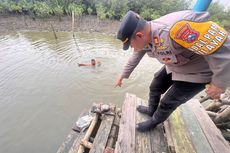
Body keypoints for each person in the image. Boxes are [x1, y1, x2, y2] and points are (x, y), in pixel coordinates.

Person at [115, 10, 230, 132]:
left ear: (139, 35)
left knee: (168, 102)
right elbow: (136, 56)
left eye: (131, 45)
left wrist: (219, 84)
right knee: (155, 86)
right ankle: (151, 110)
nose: (132, 48)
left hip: (198, 73)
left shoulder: (178, 29)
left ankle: (154, 122)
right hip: (176, 65)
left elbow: (225, 53)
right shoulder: (146, 34)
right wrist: (123, 75)